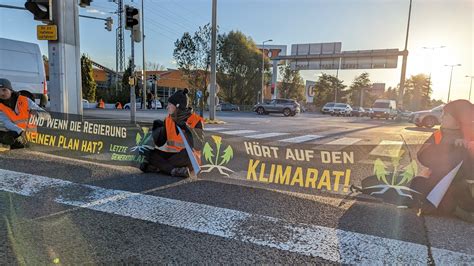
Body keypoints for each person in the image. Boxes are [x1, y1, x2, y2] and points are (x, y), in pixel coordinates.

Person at [410, 99, 473, 220]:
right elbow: (423, 156)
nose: (442, 117)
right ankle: (454, 208)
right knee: (417, 183)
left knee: (459, 189)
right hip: (437, 181)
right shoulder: (438, 135)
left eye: (446, 115)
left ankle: (458, 208)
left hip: (460, 184)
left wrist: (467, 147)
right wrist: (449, 144)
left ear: (458, 120)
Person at [140, 88, 204, 177]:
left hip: (189, 159)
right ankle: (173, 170)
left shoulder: (196, 121)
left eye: (170, 104)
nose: (167, 107)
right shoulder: (168, 120)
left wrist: (186, 128)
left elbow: (198, 145)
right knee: (148, 152)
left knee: (187, 154)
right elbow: (159, 143)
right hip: (172, 156)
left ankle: (158, 167)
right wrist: (157, 131)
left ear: (177, 106)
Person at [0, 78, 45, 149]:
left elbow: (46, 115)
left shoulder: (24, 100)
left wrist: (37, 114)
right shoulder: (0, 106)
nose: (1, 93)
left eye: (4, 90)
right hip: (16, 134)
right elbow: (6, 122)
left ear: (11, 90)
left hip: (31, 136)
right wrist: (21, 132)